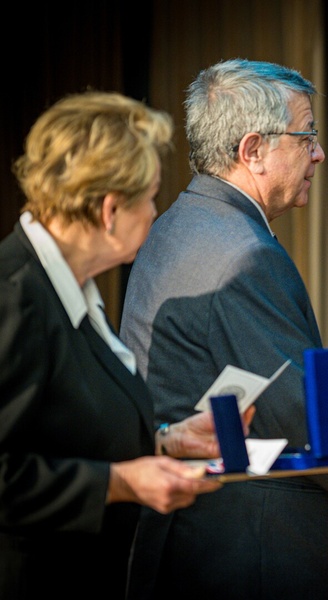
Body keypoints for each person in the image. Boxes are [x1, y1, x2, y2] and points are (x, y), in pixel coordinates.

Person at [119, 58, 328, 599]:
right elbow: (304, 415)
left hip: (189, 540)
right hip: (241, 555)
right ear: (252, 150)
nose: (318, 153)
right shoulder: (244, 256)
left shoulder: (176, 225)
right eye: (306, 136)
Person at [0, 91, 249, 600]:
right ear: (110, 209)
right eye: (151, 197)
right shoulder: (13, 296)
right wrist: (122, 483)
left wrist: (168, 440)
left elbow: (66, 431)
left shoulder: (73, 286)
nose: (156, 213)